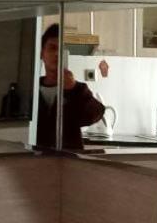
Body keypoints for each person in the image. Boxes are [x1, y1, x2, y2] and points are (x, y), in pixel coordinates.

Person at [35, 23, 108, 151]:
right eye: (52, 48)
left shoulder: (77, 88)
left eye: (60, 49)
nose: (57, 54)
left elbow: (95, 114)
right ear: (42, 53)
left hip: (69, 159)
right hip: (36, 158)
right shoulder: (32, 89)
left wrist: (73, 89)